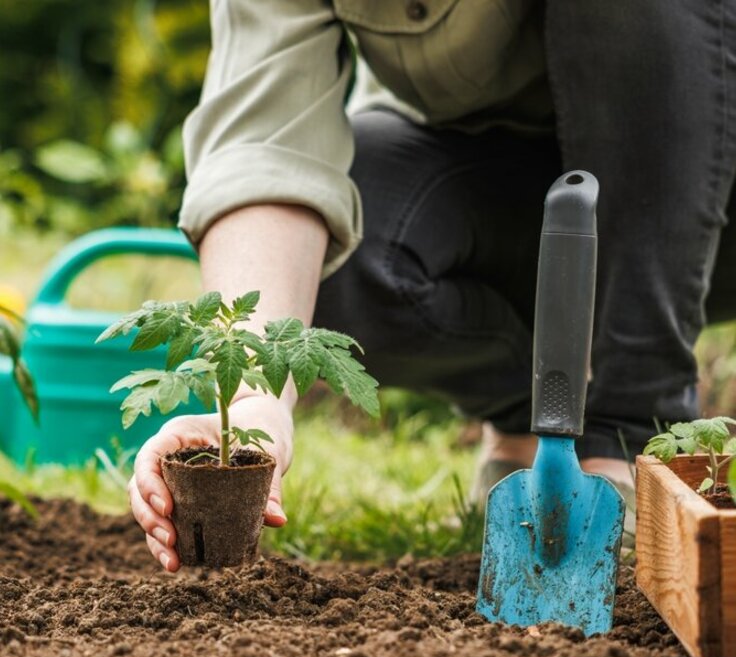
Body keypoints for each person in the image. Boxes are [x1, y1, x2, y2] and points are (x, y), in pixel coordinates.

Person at [130, 1, 736, 572]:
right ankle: (537, 420)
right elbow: (262, 140)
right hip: (484, 183)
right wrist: (254, 403)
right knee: (344, 251)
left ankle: (632, 426)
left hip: (704, 181)